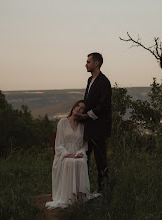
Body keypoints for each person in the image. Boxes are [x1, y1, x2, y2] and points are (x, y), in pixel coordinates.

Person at [75, 52, 112, 191]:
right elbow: (89, 101)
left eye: (88, 62)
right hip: (88, 128)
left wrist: (87, 116)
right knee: (85, 159)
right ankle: (84, 189)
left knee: (101, 161)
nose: (86, 64)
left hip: (100, 129)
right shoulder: (89, 80)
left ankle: (103, 191)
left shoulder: (104, 82)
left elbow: (104, 105)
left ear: (96, 64)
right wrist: (79, 111)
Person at [45, 100, 90, 209]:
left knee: (81, 162)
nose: (79, 108)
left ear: (84, 112)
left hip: (77, 154)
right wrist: (68, 155)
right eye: (78, 106)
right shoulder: (63, 122)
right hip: (63, 155)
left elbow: (84, 145)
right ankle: (68, 197)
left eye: (82, 108)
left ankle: (79, 196)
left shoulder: (83, 126)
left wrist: (80, 153)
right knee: (70, 162)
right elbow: (59, 145)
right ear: (74, 107)